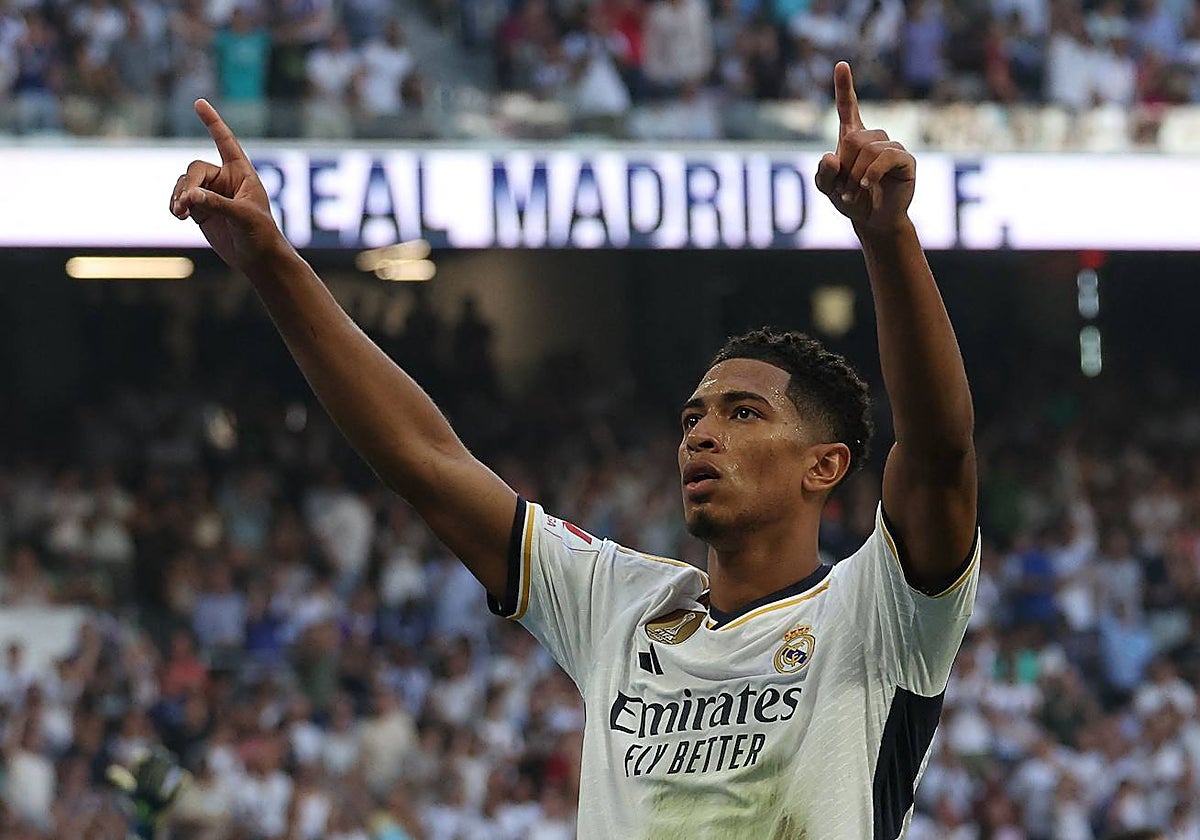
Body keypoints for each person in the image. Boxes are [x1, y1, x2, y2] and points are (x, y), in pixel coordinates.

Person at [168, 60, 978, 837]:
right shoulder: (623, 608)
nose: (701, 433)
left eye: (742, 414)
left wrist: (886, 237)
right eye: (694, 416)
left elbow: (939, 454)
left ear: (824, 466)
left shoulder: (876, 616)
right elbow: (430, 463)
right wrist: (273, 264)